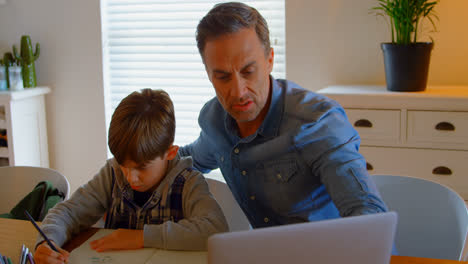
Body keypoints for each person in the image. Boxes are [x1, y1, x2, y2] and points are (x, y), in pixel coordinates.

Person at [179, 2, 388, 228]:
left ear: (269, 60)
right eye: (222, 77)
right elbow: (188, 159)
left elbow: (368, 215)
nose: (239, 92)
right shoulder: (215, 121)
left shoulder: (316, 122)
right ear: (208, 74)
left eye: (248, 71)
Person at [34, 89, 229, 264]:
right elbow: (68, 212)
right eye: (123, 165)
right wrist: (47, 241)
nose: (130, 178)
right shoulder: (112, 174)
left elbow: (215, 229)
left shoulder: (188, 182)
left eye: (141, 168)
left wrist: (140, 237)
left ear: (170, 153)